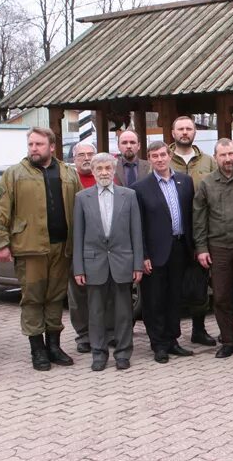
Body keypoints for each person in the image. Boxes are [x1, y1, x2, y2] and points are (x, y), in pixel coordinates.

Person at [0, 127, 81, 371]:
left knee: (54, 298)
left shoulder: (68, 173)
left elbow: (81, 210)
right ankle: (37, 349)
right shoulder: (14, 174)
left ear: (51, 147)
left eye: (39, 144)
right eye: (31, 144)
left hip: (62, 247)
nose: (33, 148)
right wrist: (0, 243)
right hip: (30, 248)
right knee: (32, 299)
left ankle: (54, 346)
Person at [72, 153, 143, 371]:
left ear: (114, 171)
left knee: (124, 311)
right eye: (99, 169)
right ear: (92, 172)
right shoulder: (82, 197)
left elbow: (136, 232)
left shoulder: (128, 195)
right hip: (94, 262)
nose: (104, 172)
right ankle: (99, 353)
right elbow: (78, 235)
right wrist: (79, 267)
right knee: (95, 312)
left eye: (107, 168)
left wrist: (137, 264)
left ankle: (123, 353)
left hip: (123, 261)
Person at [132, 141, 197, 364]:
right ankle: (158, 344)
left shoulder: (185, 182)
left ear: (170, 156)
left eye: (162, 155)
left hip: (180, 248)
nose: (159, 159)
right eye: (154, 156)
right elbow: (138, 225)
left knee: (174, 298)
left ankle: (173, 340)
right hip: (155, 252)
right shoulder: (140, 188)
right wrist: (143, 255)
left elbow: (191, 216)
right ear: (149, 159)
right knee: (154, 300)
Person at [193, 139, 233, 359]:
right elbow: (199, 219)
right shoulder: (207, 183)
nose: (228, 159)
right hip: (218, 247)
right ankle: (229, 340)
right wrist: (201, 248)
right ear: (215, 157)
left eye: (231, 154)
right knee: (221, 297)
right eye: (223, 155)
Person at [168, 115, 217, 347]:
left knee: (199, 282)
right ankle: (173, 334)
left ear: (195, 131)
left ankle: (199, 329)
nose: (185, 132)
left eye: (189, 128)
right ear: (173, 132)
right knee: (173, 283)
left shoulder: (208, 161)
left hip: (201, 232)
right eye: (181, 129)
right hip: (172, 233)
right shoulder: (162, 159)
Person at [68, 141, 105, 354]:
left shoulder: (107, 176)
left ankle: (105, 333)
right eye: (81, 154)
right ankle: (84, 335)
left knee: (105, 294)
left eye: (90, 153)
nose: (86, 158)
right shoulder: (69, 180)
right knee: (79, 295)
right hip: (78, 245)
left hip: (106, 246)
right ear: (74, 159)